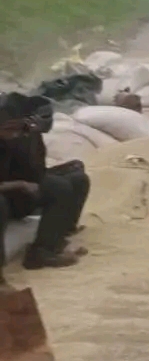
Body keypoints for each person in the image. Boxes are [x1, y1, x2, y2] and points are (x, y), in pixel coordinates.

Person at [0, 94, 90, 284]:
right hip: (7, 196)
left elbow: (35, 171)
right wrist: (20, 185)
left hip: (20, 190)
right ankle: (31, 260)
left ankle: (51, 244)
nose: (15, 133)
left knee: (71, 181)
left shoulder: (26, 137)